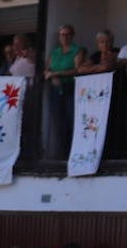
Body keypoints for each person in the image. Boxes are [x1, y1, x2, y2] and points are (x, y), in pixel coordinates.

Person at [44, 24, 80, 159]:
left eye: (67, 34)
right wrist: (50, 75)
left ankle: (73, 152)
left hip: (71, 88)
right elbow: (47, 69)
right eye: (62, 34)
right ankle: (62, 154)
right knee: (59, 123)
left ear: (72, 36)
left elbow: (77, 69)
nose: (64, 37)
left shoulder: (77, 50)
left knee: (72, 120)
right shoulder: (55, 52)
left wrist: (57, 74)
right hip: (56, 90)